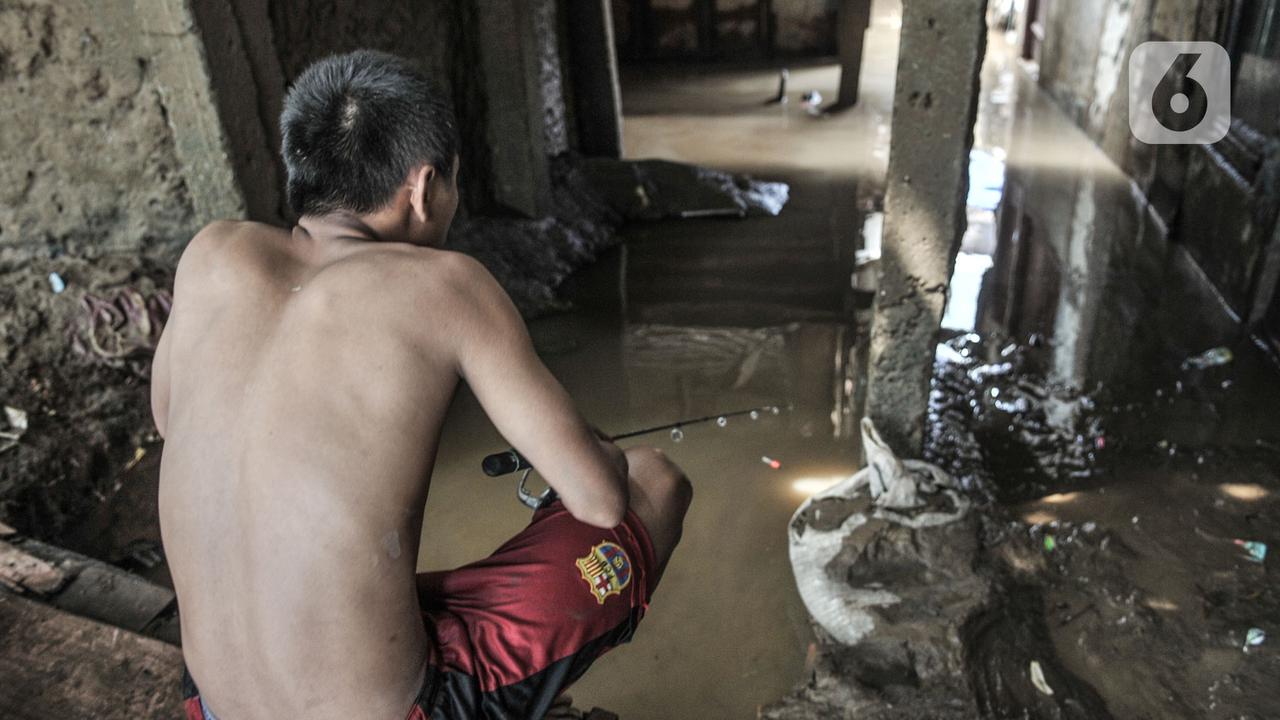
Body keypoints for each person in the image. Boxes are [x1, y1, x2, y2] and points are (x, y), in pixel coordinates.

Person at [151, 49, 692, 720]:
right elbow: (602, 500)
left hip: (213, 705)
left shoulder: (211, 253)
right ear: (424, 186)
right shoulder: (449, 286)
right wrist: (594, 448)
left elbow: (170, 420)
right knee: (655, 484)